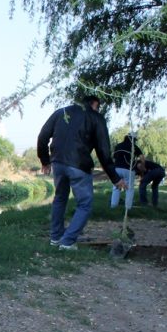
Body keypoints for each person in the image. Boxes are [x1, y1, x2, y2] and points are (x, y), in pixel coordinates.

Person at [37, 95, 127, 250]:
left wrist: (45, 161)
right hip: (78, 165)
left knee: (60, 198)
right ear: (95, 104)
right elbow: (103, 151)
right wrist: (115, 178)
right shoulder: (96, 117)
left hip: (57, 162)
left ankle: (56, 237)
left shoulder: (61, 112)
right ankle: (68, 242)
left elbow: (43, 136)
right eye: (98, 107)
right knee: (85, 203)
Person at [110, 133, 145, 210]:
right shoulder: (134, 147)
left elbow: (113, 158)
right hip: (128, 169)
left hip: (117, 169)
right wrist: (142, 166)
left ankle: (113, 206)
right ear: (133, 140)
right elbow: (142, 157)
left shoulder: (118, 146)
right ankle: (128, 208)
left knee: (116, 188)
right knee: (129, 189)